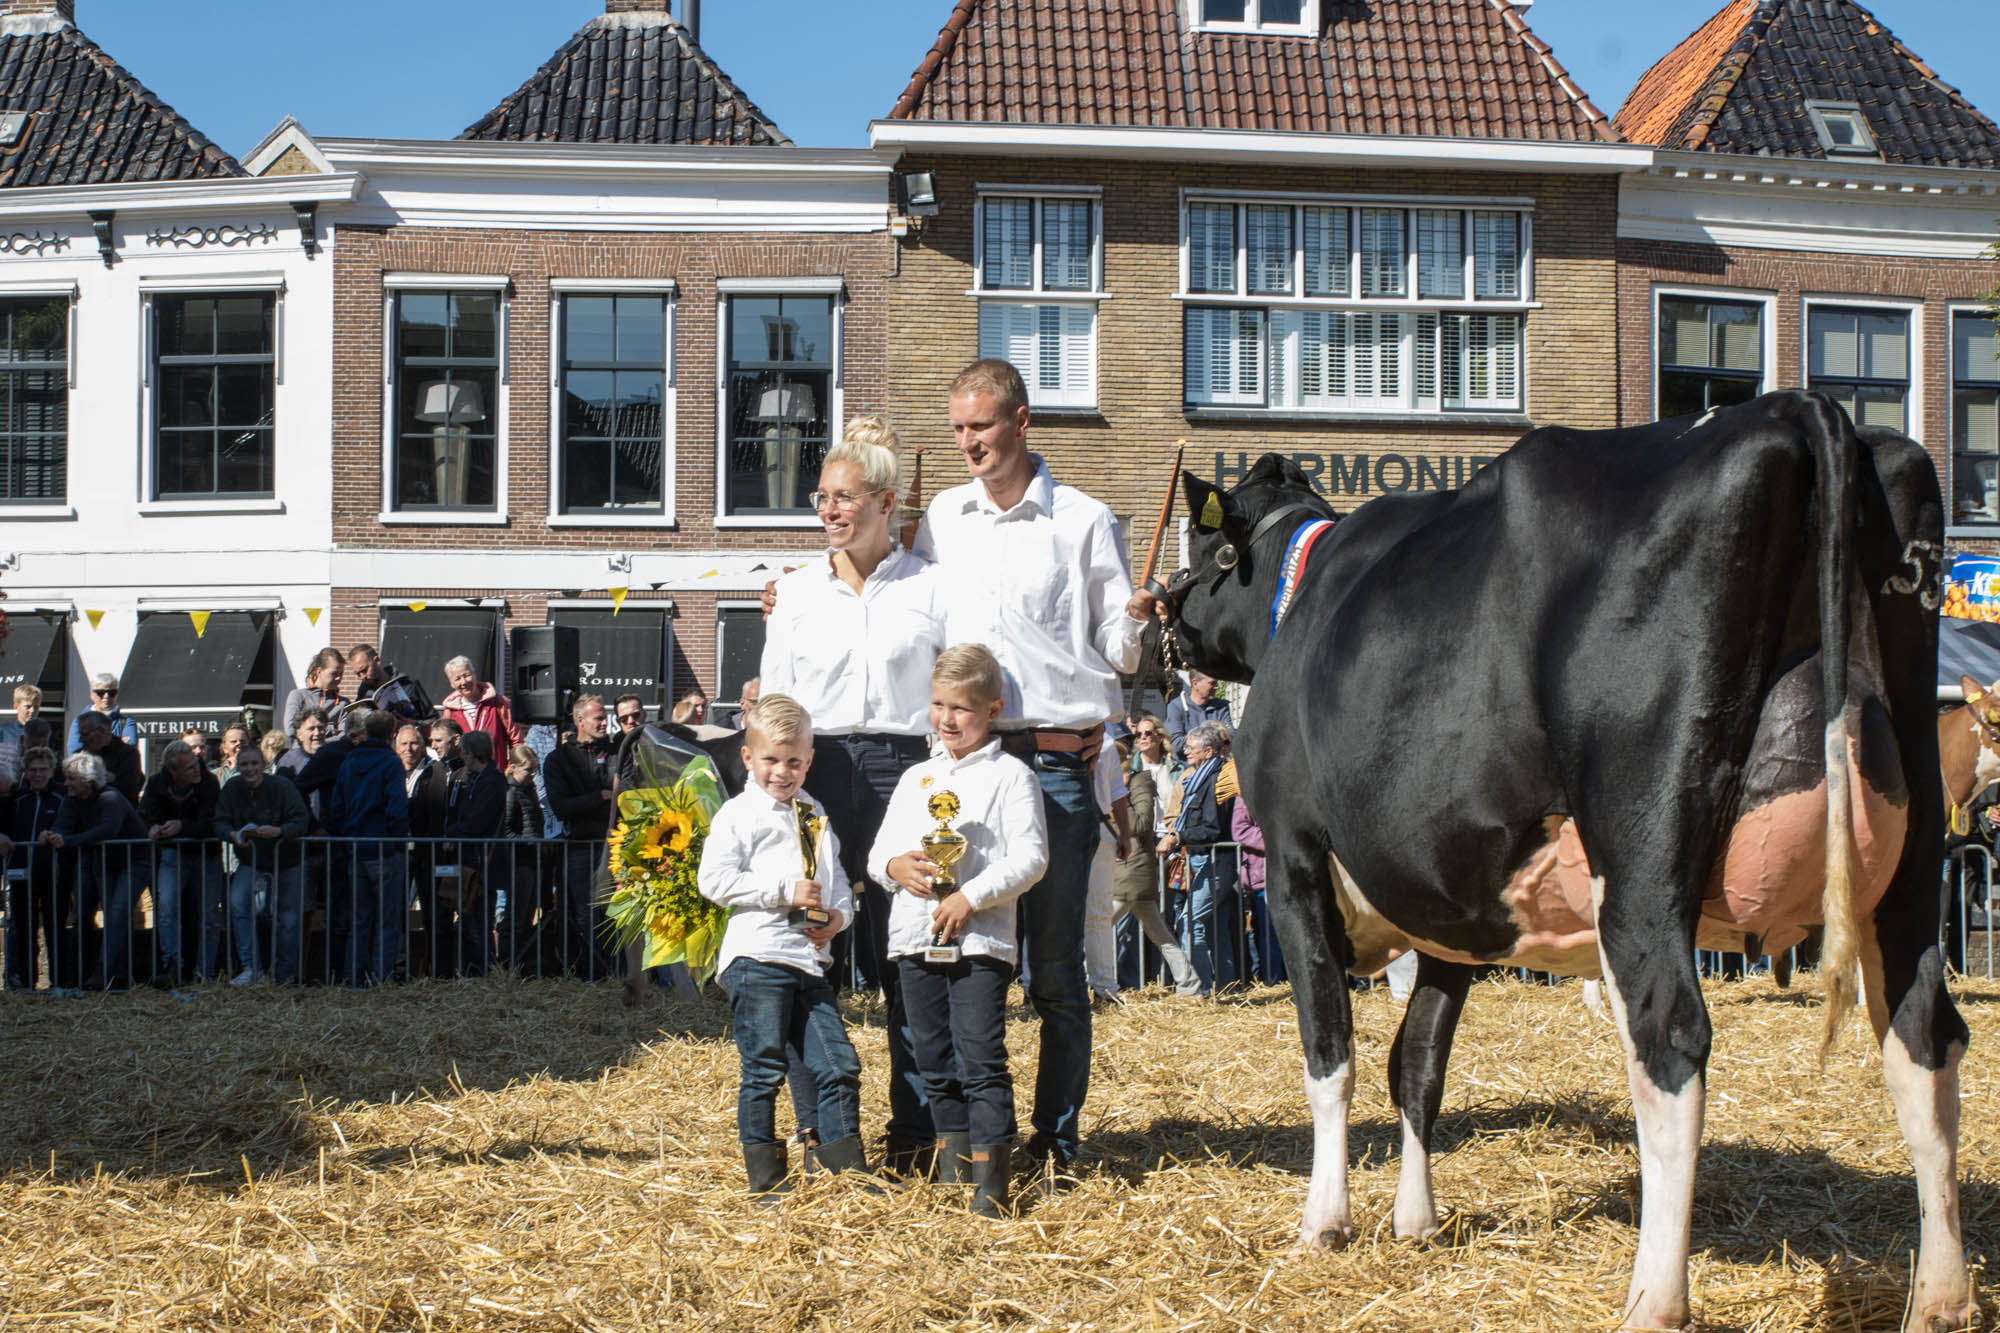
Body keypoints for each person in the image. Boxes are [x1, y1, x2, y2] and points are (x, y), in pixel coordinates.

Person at [913, 358, 1157, 1175]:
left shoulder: (1084, 519)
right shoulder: (942, 518)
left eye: (980, 425)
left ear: (1021, 421)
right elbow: (912, 611)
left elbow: (1118, 652)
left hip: (1054, 765)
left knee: (1054, 973)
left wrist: (1137, 619)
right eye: (957, 427)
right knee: (957, 962)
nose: (967, 442)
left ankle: (1055, 1141)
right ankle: (970, 1138)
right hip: (964, 769)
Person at [760, 415, 946, 1174]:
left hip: (907, 771)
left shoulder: (933, 586)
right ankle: (826, 1135)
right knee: (813, 949)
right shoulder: (795, 593)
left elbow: (950, 691)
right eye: (822, 497)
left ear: (887, 503)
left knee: (907, 953)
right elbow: (777, 700)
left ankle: (916, 1133)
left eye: (844, 497)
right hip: (820, 769)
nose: (829, 510)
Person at [870, 645, 1048, 1216]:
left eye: (962, 708)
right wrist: (895, 867)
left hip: (979, 943)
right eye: (938, 705)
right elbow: (878, 855)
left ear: (993, 709)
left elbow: (1031, 858)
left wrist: (971, 896)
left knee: (979, 1057)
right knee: (932, 1058)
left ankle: (993, 1184)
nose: (947, 719)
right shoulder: (915, 778)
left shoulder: (1012, 776)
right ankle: (954, 1173)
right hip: (915, 939)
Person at [697, 694, 862, 1197]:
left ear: (809, 760)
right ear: (748, 757)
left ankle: (843, 1173)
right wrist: (782, 892)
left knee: (840, 1065)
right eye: (771, 759)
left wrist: (838, 918)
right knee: (765, 1068)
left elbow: (836, 882)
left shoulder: (814, 813)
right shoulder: (738, 813)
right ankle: (766, 1179)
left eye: (794, 761)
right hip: (758, 956)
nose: (782, 772)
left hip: (808, 961)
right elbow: (713, 880)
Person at [43, 750, 150, 991]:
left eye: (71, 778)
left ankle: (106, 970)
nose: (66, 783)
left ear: (87, 780)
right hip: (105, 860)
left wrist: (68, 841)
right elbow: (62, 824)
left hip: (134, 860)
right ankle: (111, 973)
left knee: (118, 911)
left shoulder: (111, 798)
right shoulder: (72, 799)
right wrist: (53, 835)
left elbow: (107, 830)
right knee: (109, 914)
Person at [327, 709, 410, 986]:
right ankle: (381, 979)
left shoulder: (350, 761)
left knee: (359, 920)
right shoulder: (391, 763)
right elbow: (397, 807)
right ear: (391, 734)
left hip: (355, 847)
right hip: (384, 847)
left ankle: (354, 978)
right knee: (387, 920)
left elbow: (337, 806)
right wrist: (398, 839)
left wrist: (348, 833)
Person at [215, 744, 309, 986]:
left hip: (287, 859)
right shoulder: (232, 788)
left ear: (264, 765)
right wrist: (232, 835)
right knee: (237, 902)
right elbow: (219, 822)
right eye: (244, 764)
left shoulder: (282, 787)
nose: (250, 769)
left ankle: (284, 975)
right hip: (251, 859)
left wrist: (280, 831)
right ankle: (251, 967)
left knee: (287, 918)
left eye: (254, 763)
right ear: (237, 766)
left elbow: (301, 821)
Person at [1109, 741, 1198, 995]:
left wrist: (1117, 799)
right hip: (1121, 869)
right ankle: (1189, 983)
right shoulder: (1110, 785)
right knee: (1159, 932)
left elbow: (1142, 823)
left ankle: (1085, 982)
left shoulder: (1139, 782)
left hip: (1132, 869)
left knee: (1098, 927)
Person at [1159, 722, 1238, 995]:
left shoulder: (1217, 779)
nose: (1186, 751)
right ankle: (1226, 987)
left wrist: (1178, 837)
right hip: (1202, 859)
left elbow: (1211, 828)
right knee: (1214, 925)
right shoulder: (1196, 778)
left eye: (1192, 748)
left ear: (1208, 751)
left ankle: (1199, 989)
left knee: (1190, 922)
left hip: (1216, 860)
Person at [542, 694, 618, 978]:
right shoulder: (559, 759)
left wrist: (598, 799)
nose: (604, 723)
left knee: (615, 913)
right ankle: (592, 974)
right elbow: (561, 807)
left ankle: (616, 973)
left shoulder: (615, 752)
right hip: (580, 848)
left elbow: (625, 792)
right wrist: (601, 796)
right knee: (586, 913)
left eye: (605, 717)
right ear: (580, 721)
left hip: (615, 845)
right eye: (598, 718)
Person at [139, 739, 224, 984]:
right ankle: (172, 966)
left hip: (206, 854)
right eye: (189, 767)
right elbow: (144, 815)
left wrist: (181, 826)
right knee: (166, 908)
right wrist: (153, 827)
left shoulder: (209, 782)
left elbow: (212, 823)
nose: (196, 769)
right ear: (173, 771)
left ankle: (205, 972)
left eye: (196, 764)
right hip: (172, 853)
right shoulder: (156, 783)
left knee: (209, 915)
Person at [437, 729, 505, 976]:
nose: (463, 757)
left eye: (464, 753)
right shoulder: (475, 779)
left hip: (481, 861)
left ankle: (483, 972)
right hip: (472, 858)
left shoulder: (491, 781)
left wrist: (452, 833)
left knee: (478, 923)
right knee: (469, 920)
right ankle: (473, 971)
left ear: (472, 753)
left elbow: (478, 820)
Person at [4, 746, 64, 990]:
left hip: (53, 872)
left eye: (42, 770)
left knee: (54, 926)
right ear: (25, 772)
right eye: (32, 770)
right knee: (24, 927)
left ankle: (59, 981)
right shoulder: (16, 799)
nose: (37, 774)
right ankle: (28, 982)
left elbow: (68, 825)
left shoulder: (62, 798)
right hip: (20, 872)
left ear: (51, 771)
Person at [1231, 794, 1284, 985]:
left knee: (1273, 932)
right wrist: (1278, 839)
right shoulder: (1246, 796)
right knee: (1267, 933)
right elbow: (1240, 829)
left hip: (1279, 874)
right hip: (1261, 876)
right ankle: (1273, 980)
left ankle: (1277, 979)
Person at [441, 655, 523, 755]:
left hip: (496, 765)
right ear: (452, 684)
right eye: (457, 679)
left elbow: (517, 742)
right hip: (465, 765)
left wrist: (512, 764)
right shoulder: (450, 712)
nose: (464, 682)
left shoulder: (499, 703)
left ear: (475, 674)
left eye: (466, 675)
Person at [74, 710, 142, 805]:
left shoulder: (128, 754)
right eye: (80, 734)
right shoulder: (79, 755)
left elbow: (130, 790)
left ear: (102, 731)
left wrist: (98, 777)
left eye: (85, 734)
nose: (81, 739)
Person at [1165, 672, 1231, 765]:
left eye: (1217, 683)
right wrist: (1216, 738)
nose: (1217, 687)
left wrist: (1191, 739)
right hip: (1187, 768)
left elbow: (1230, 736)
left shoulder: (1221, 706)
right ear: (1195, 683)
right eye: (1212, 683)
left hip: (1217, 766)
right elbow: (1175, 744)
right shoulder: (1176, 707)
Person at [66, 673, 136, 753]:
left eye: (112, 692)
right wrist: (119, 743)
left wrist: (93, 747)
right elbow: (75, 753)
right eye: (101, 692)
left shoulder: (126, 721)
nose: (106, 696)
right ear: (91, 695)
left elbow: (129, 751)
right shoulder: (79, 722)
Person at [282, 648, 346, 735]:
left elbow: (343, 737)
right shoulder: (298, 696)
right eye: (334, 673)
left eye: (341, 674)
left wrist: (308, 729)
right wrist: (332, 730)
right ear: (319, 672)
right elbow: (291, 730)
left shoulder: (343, 704)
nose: (338, 678)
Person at [274, 708, 327, 781]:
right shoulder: (289, 762)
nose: (317, 733)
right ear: (299, 735)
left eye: (320, 728)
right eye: (311, 728)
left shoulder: (333, 758)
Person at [395, 724, 429, 795]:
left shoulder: (432, 772)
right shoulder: (390, 772)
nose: (408, 748)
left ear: (422, 746)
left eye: (413, 743)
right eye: (404, 744)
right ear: (397, 748)